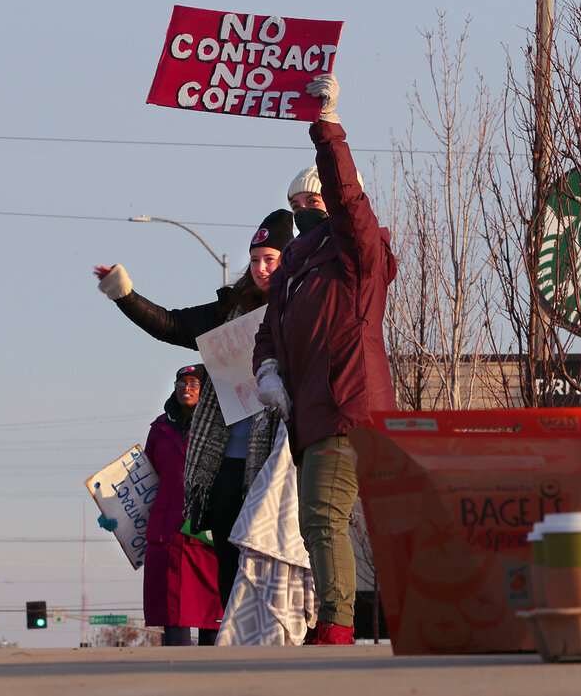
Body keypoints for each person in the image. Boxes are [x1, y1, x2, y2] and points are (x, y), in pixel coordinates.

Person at [252, 74, 398, 645]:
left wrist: (327, 128)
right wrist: (267, 372)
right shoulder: (293, 270)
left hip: (347, 404)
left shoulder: (357, 252)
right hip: (309, 417)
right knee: (325, 523)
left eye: (311, 201)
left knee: (321, 516)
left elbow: (347, 199)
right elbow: (269, 335)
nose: (303, 210)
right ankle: (341, 618)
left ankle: (336, 626)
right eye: (295, 205)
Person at [94, 208, 293, 607]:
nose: (261, 268)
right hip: (224, 459)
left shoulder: (303, 310)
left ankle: (277, 640)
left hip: (278, 458)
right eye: (255, 260)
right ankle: (236, 636)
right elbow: (171, 325)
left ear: (290, 259)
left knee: (275, 558)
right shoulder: (229, 312)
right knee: (228, 554)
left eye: (271, 259)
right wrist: (124, 295)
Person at [141, 364, 222, 645]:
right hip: (167, 534)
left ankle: (214, 684)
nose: (186, 387)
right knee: (172, 615)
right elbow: (145, 481)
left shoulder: (219, 427)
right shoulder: (159, 429)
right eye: (181, 382)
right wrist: (116, 514)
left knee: (213, 614)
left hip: (205, 534)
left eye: (193, 383)